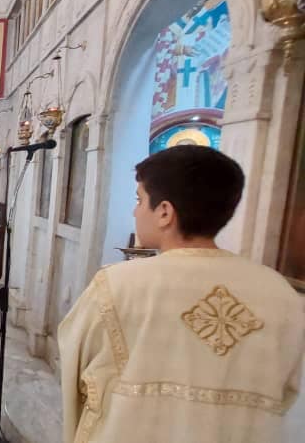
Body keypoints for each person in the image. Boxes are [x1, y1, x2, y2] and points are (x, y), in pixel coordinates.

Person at [58, 146, 304, 443]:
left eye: (139, 200)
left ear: (164, 212)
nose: (136, 211)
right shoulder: (280, 293)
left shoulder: (117, 285)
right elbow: (286, 392)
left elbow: (76, 369)